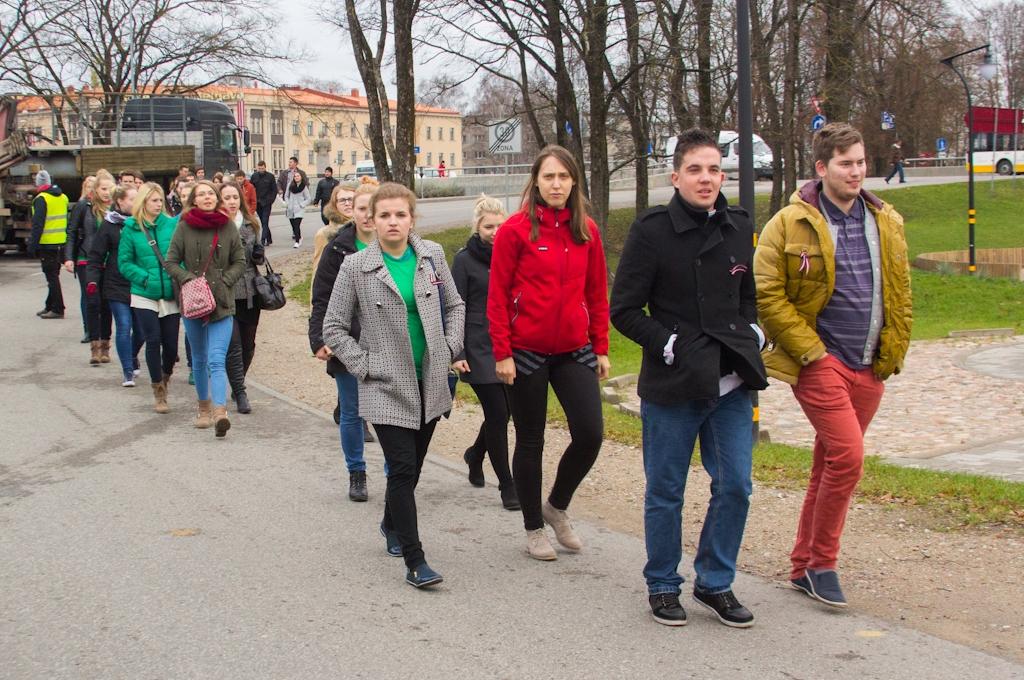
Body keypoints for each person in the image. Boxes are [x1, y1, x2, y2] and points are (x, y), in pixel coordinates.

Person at [610, 128, 769, 629]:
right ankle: (662, 583)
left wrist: (755, 332)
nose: (707, 179)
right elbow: (625, 309)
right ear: (676, 176)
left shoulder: (739, 224)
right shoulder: (651, 231)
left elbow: (748, 293)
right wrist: (668, 343)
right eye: (696, 170)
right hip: (674, 384)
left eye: (714, 169)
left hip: (730, 383)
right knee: (666, 490)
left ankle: (715, 582)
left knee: (737, 486)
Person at [754, 122, 912, 608]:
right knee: (848, 458)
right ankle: (823, 564)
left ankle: (802, 566)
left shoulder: (886, 219)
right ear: (822, 168)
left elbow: (899, 291)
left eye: (861, 162)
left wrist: (895, 349)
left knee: (828, 463)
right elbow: (767, 293)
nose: (856, 171)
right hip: (820, 361)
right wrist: (810, 350)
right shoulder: (790, 222)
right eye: (846, 163)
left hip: (870, 365)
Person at [322, 182, 465, 589]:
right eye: (384, 215)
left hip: (432, 381)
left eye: (400, 214)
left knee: (414, 467)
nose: (392, 221)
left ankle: (389, 522)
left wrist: (451, 345)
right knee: (401, 469)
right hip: (386, 385)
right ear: (371, 220)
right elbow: (333, 326)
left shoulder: (432, 256)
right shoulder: (357, 266)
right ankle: (416, 561)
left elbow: (455, 305)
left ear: (412, 218)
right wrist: (365, 365)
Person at [487, 145, 610, 561]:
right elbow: (497, 296)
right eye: (548, 177)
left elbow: (597, 292)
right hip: (525, 352)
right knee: (530, 440)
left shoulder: (586, 231)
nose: (556, 184)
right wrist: (501, 352)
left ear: (574, 181)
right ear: (536, 182)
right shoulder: (515, 231)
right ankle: (533, 527)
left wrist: (602, 346)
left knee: (591, 434)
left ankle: (556, 507)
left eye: (563, 177)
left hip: (574, 350)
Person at [309, 179, 379, 502]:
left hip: (388, 344)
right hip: (348, 340)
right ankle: (357, 472)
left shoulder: (397, 245)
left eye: (372, 209)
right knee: (352, 410)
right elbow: (321, 297)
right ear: (352, 212)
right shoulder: (338, 247)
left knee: (390, 411)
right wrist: (319, 339)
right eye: (361, 209)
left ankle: (397, 473)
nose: (367, 215)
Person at [451, 195, 518, 511]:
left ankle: (475, 454)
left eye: (499, 225)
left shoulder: (513, 254)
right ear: (477, 227)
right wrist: (457, 351)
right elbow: (453, 307)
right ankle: (507, 485)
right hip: (476, 346)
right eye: (488, 226)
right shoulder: (464, 260)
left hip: (509, 343)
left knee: (505, 413)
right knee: (497, 413)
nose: (494, 231)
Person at [165, 180, 245, 437]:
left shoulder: (227, 226)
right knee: (199, 359)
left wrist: (225, 281)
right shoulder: (184, 226)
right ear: (193, 200)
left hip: (222, 302)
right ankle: (203, 407)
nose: (207, 197)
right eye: (202, 194)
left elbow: (239, 261)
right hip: (193, 302)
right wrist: (189, 280)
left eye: (211, 193)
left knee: (216, 358)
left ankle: (220, 412)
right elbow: (171, 262)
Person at [118, 182, 180, 414]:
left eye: (160, 200)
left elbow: (179, 254)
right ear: (143, 202)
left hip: (169, 294)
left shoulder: (171, 225)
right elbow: (124, 263)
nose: (158, 204)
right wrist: (144, 278)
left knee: (171, 347)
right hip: (144, 294)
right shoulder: (131, 228)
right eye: (153, 200)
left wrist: (178, 273)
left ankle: (166, 377)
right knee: (152, 340)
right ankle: (158, 390)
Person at [88, 184, 144, 387]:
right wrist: (92, 280)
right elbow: (96, 255)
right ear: (120, 201)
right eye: (131, 199)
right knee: (123, 325)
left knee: (141, 331)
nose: (136, 203)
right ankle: (127, 371)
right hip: (115, 283)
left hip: (140, 282)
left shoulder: (143, 223)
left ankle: (131, 354)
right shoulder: (109, 225)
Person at [220, 181, 265, 414]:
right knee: (233, 345)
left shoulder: (252, 224)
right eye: (226, 197)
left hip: (249, 291)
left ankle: (238, 381)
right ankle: (240, 391)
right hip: (226, 290)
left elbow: (258, 257)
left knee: (248, 344)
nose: (231, 202)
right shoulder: (215, 225)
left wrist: (259, 255)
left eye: (234, 197)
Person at [83, 172, 116, 364]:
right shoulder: (85, 208)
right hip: (89, 262)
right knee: (93, 303)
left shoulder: (116, 212)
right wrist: (68, 257)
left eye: (110, 189)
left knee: (106, 306)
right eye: (103, 189)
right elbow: (73, 232)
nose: (106, 193)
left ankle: (105, 346)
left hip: (110, 265)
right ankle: (94, 347)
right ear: (95, 190)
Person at [28, 169, 69, 320]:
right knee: (54, 275)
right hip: (61, 242)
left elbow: (37, 225)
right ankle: (50, 305)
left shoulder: (41, 199)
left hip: (47, 244)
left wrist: (32, 245)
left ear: (38, 184)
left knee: (51, 277)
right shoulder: (63, 197)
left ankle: (58, 308)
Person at [64, 174, 96, 342]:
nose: (92, 190)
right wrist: (68, 257)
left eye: (94, 186)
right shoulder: (81, 206)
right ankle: (89, 329)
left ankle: (100, 329)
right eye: (89, 187)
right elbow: (72, 231)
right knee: (88, 294)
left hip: (101, 258)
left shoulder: (105, 207)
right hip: (84, 257)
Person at [310, 180, 362, 279]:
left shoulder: (367, 229)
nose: (347, 203)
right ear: (335, 204)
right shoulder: (325, 233)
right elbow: (318, 271)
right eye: (342, 200)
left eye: (351, 199)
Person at [250, 160, 277, 246]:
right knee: (263, 221)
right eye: (259, 168)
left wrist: (271, 200)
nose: (261, 170)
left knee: (265, 221)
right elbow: (251, 189)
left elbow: (274, 190)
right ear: (257, 168)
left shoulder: (270, 177)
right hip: (258, 203)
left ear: (265, 167)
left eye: (262, 168)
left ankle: (263, 240)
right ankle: (269, 239)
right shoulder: (254, 176)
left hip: (267, 203)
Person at [285, 170, 310, 248]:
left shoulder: (304, 187)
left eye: (298, 176)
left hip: (299, 209)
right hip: (290, 208)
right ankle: (299, 237)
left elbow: (308, 198)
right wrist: (288, 203)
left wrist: (302, 205)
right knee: (293, 225)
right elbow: (286, 196)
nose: (296, 177)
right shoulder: (290, 185)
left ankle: (297, 241)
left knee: (296, 224)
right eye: (295, 176)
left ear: (301, 177)